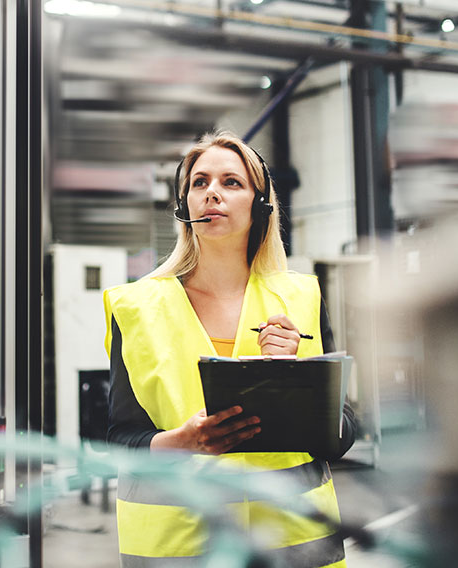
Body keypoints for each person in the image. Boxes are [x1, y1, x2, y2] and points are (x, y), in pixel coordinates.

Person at [103, 131, 355, 567]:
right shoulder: (136, 307)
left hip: (293, 542)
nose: (212, 193)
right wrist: (179, 443)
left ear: (259, 206)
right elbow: (119, 437)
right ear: (184, 206)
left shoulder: (301, 298)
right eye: (199, 183)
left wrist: (299, 379)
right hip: (179, 547)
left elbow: (343, 434)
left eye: (231, 182)